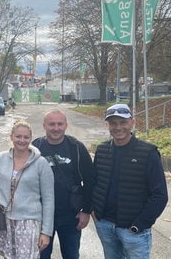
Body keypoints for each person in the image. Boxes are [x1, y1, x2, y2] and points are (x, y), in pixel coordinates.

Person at [92, 104, 168, 259]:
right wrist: (95, 213)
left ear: (132, 122)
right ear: (108, 125)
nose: (118, 127)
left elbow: (160, 195)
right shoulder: (102, 149)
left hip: (133, 229)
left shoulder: (148, 153)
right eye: (113, 123)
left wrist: (139, 225)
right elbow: (95, 183)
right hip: (105, 224)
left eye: (123, 122)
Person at [0, 119, 54, 259]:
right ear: (11, 137)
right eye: (18, 136)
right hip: (3, 219)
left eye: (26, 137)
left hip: (29, 222)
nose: (22, 140)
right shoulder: (0, 159)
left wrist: (46, 232)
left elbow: (49, 199)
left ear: (30, 138)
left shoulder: (41, 163)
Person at [32, 109, 95, 259]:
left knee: (71, 255)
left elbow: (90, 180)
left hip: (70, 215)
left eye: (60, 124)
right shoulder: (35, 147)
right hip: (41, 216)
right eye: (51, 124)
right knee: (40, 256)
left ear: (66, 125)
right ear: (44, 126)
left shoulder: (76, 148)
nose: (56, 128)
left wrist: (86, 211)